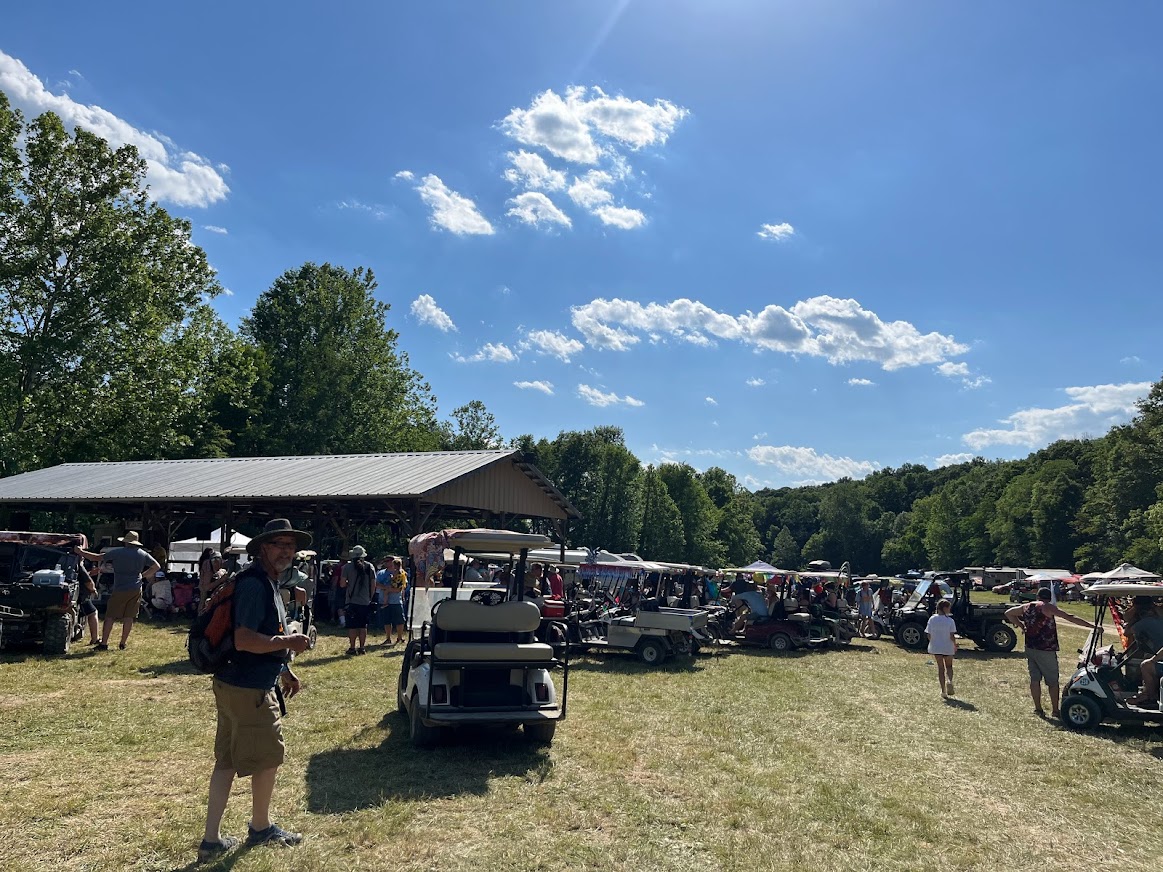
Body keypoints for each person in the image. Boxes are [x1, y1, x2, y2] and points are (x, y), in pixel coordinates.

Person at [199, 518, 311, 862]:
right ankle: (261, 827)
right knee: (268, 759)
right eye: (278, 544)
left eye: (290, 546)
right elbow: (245, 640)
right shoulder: (255, 585)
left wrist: (285, 669)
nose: (286, 551)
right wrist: (290, 641)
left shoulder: (265, 581)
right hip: (248, 689)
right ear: (262, 548)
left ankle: (211, 840)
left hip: (235, 683)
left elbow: (263, 634)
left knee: (228, 761)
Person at [1005, 588, 1092, 718]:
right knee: (1052, 681)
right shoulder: (1048, 607)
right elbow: (1070, 617)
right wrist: (1092, 626)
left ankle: (1038, 709)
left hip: (1030, 647)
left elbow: (1009, 613)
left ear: (1037, 596)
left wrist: (1022, 625)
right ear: (1049, 597)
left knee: (1035, 679)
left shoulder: (1026, 606)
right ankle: (1055, 710)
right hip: (1046, 649)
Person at [75, 531, 159, 651]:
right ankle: (122, 643)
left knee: (110, 616)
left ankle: (104, 643)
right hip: (136, 588)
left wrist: (80, 552)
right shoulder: (142, 554)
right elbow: (156, 566)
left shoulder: (118, 552)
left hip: (120, 588)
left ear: (125, 542)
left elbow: (96, 557)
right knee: (129, 616)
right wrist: (143, 575)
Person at [1123, 597, 1163, 706]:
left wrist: (1133, 620)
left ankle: (1149, 697)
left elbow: (1127, 632)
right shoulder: (1159, 618)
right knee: (1147, 658)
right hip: (1158, 655)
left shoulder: (1144, 622)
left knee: (1146, 665)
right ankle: (1146, 692)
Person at [339, 546, 375, 655]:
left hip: (351, 601)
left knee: (352, 625)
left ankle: (352, 648)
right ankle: (362, 647)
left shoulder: (347, 567)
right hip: (365, 601)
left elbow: (342, 584)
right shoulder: (370, 567)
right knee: (363, 625)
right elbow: (373, 585)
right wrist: (370, 597)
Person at [925, 599, 958, 697]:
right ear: (944, 608)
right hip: (947, 646)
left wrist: (933, 641)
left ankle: (943, 690)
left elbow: (928, 634)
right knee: (949, 666)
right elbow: (952, 635)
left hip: (936, 647)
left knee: (940, 668)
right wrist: (955, 644)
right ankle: (949, 680)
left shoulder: (932, 619)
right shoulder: (950, 621)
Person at [380, 558, 408, 645]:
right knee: (387, 620)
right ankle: (388, 638)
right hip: (390, 599)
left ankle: (399, 637)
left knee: (400, 620)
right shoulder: (382, 573)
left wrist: (392, 589)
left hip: (396, 600)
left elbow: (402, 587)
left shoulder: (401, 573)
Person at [77, 559, 100, 645]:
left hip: (78, 595)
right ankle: (95, 638)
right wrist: (93, 590)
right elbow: (88, 581)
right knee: (92, 613)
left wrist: (89, 573)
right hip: (81, 596)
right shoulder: (79, 565)